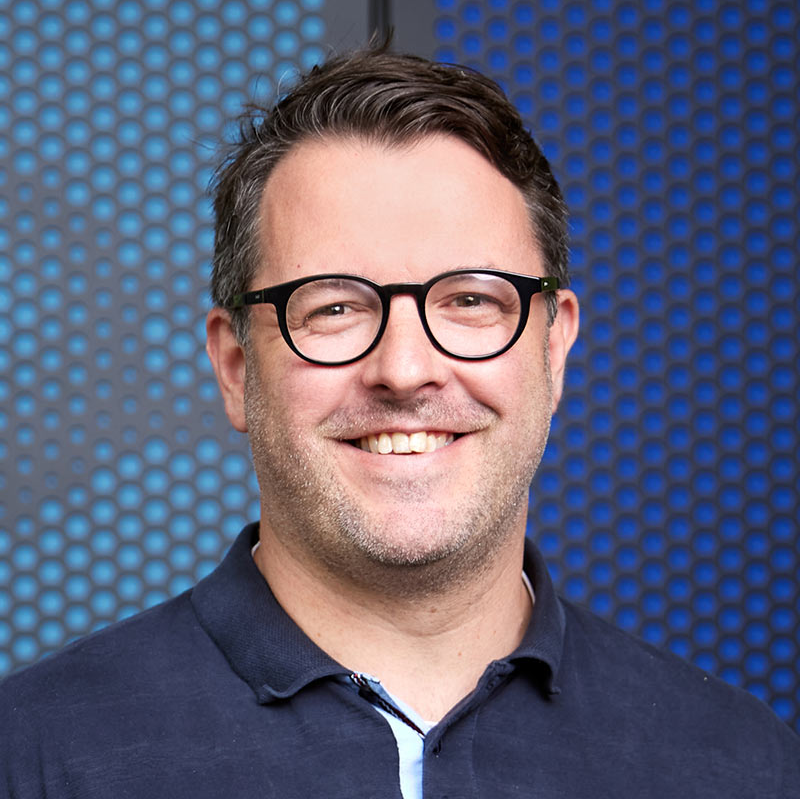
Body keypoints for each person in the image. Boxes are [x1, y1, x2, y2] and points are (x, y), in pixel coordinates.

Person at [1, 47, 798, 799]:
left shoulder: (740, 766)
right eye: (334, 308)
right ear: (236, 368)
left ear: (553, 350)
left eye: (471, 300)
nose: (406, 369)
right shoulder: (28, 755)